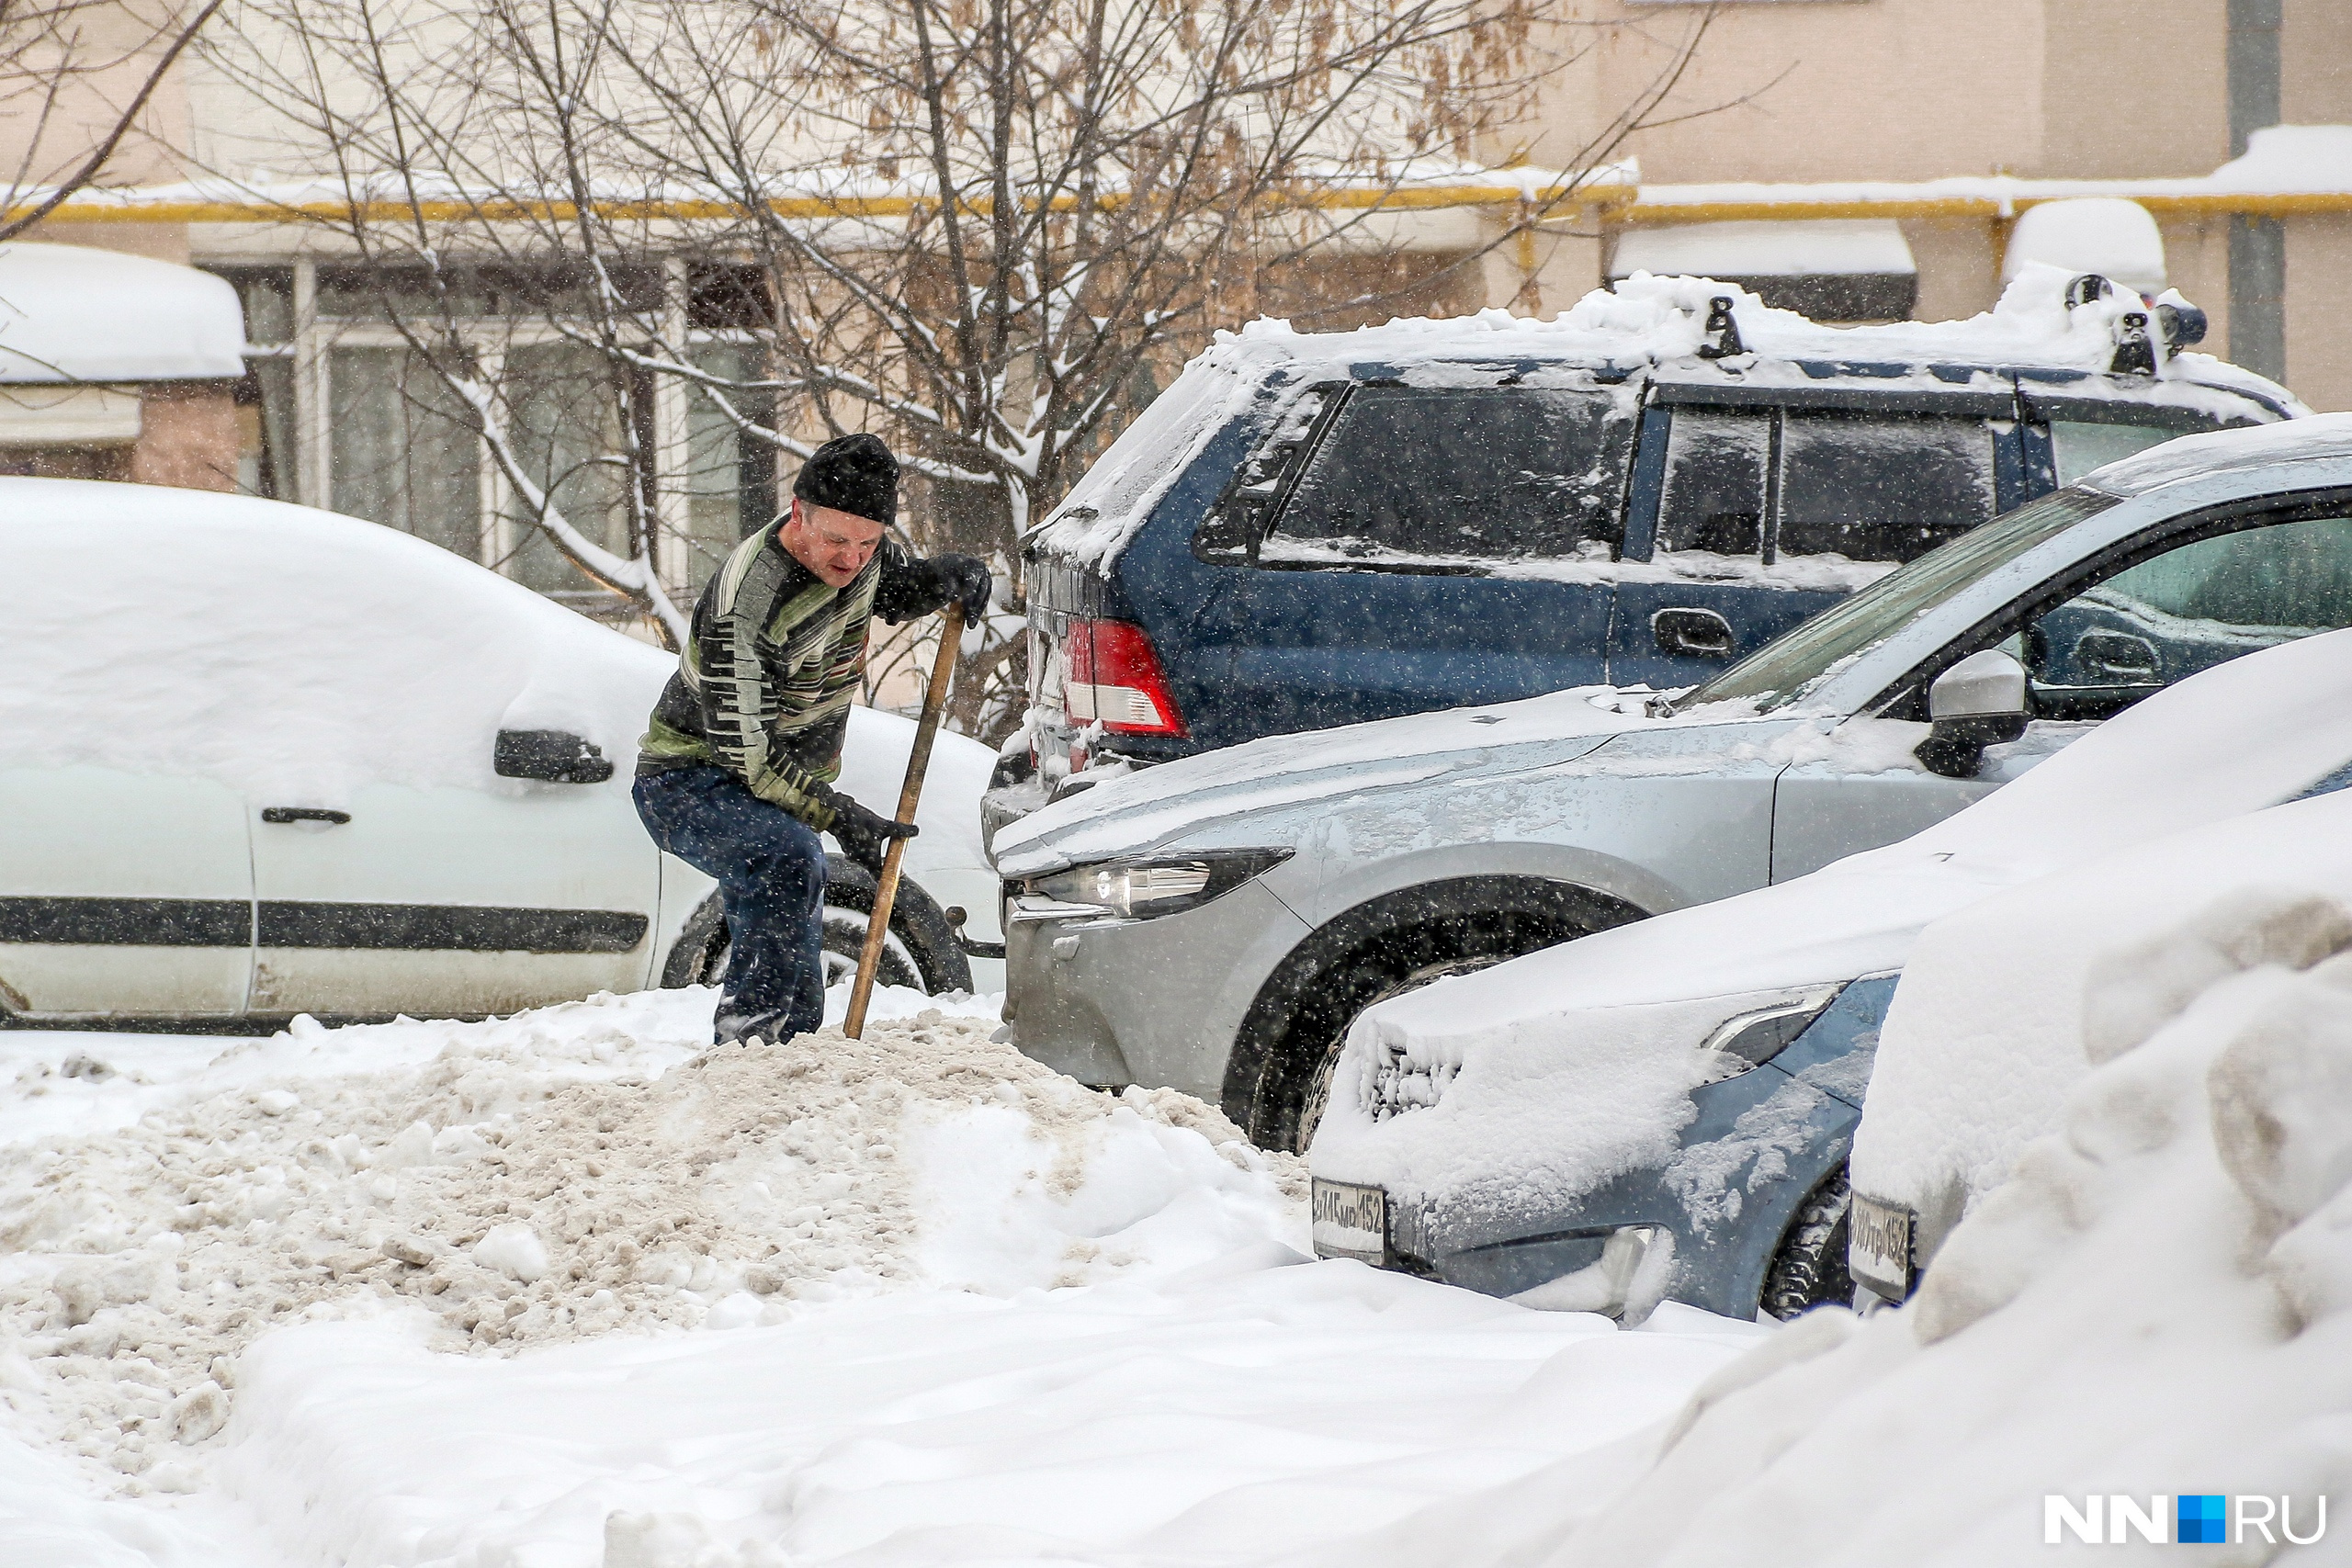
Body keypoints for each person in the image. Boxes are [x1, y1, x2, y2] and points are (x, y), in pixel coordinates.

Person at [633, 433, 989, 1044]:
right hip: (688, 776)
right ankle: (750, 1048)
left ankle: (790, 1054)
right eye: (836, 541)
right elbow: (746, 754)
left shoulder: (860, 555)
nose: (851, 559)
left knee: (791, 876)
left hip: (772, 784)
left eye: (868, 542)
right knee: (785, 856)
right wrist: (841, 815)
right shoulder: (745, 607)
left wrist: (945, 578)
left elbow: (888, 586)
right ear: (799, 514)